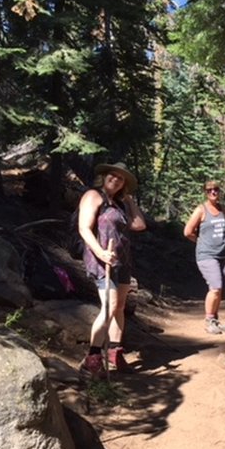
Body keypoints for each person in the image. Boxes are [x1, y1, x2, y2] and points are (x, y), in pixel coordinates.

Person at [78, 162, 146, 379]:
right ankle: (92, 359)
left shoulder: (118, 204)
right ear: (104, 176)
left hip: (122, 260)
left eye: (121, 178)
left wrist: (130, 201)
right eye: (112, 175)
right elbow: (84, 228)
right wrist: (100, 252)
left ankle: (115, 353)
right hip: (102, 259)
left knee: (121, 307)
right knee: (110, 305)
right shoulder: (93, 196)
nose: (115, 179)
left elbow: (139, 225)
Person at [184, 180, 225, 334]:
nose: (213, 192)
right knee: (215, 287)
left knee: (220, 290)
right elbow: (188, 231)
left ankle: (214, 318)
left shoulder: (224, 210)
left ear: (219, 191)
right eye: (209, 190)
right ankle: (208, 321)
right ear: (205, 193)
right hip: (207, 255)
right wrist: (200, 241)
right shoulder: (201, 210)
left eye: (216, 189)